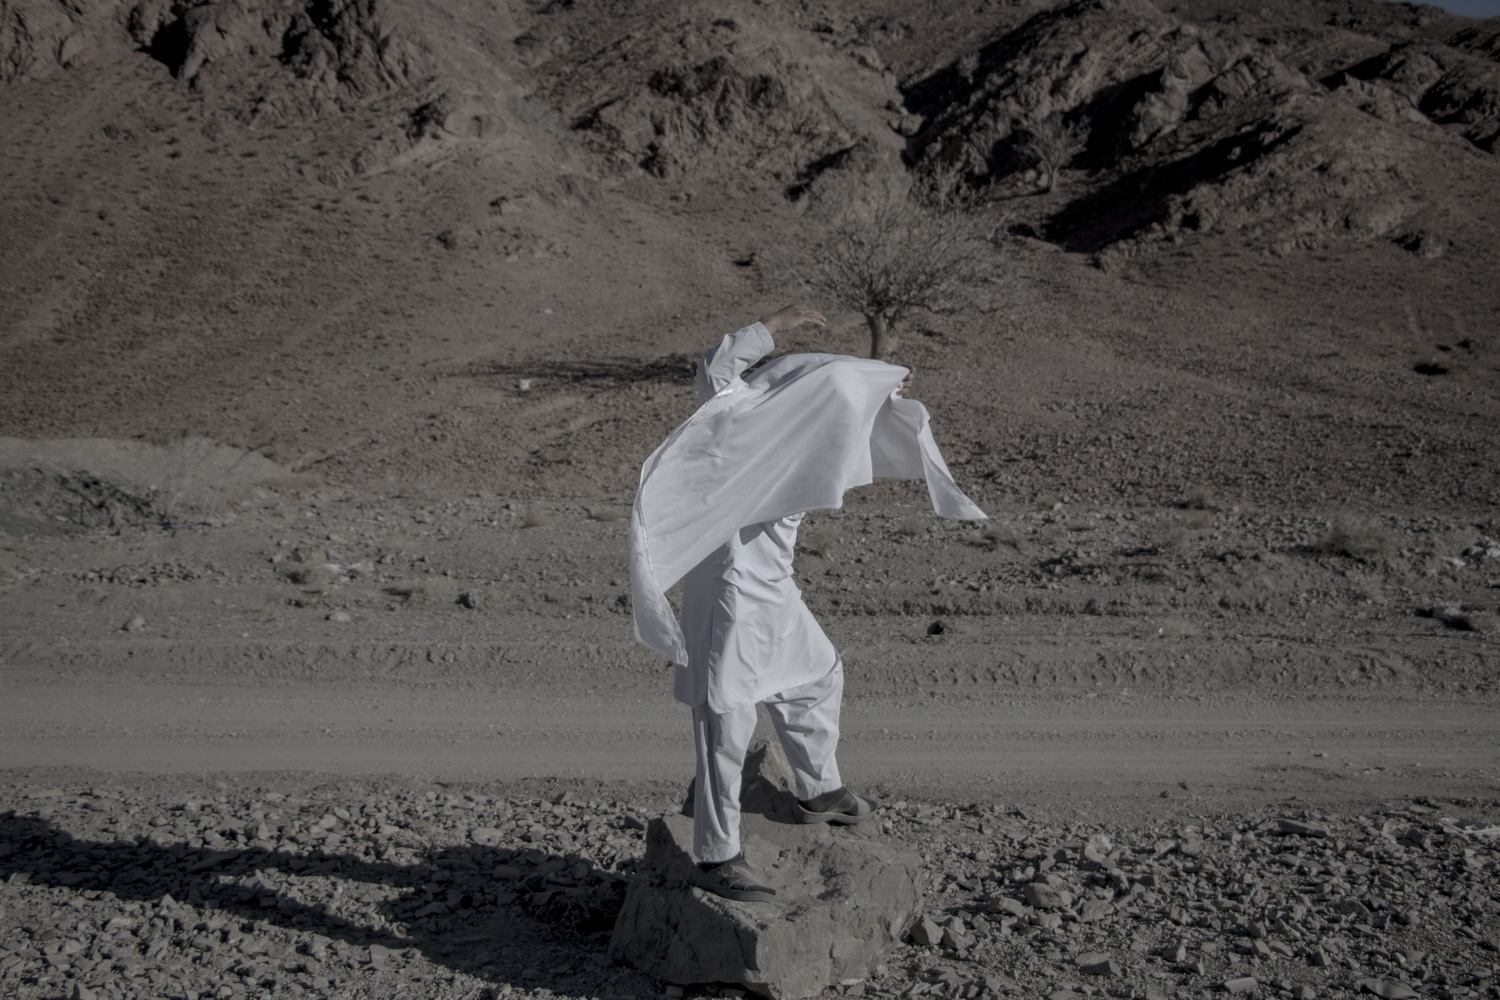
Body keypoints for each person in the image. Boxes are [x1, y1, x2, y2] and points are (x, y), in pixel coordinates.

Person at [628, 305, 987, 902]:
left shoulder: (804, 441)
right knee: (726, 721)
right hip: (730, 598)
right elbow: (719, 367)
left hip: (774, 588)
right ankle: (718, 855)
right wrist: (779, 323)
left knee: (818, 674)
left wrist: (887, 380)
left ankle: (819, 791)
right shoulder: (735, 425)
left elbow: (845, 397)